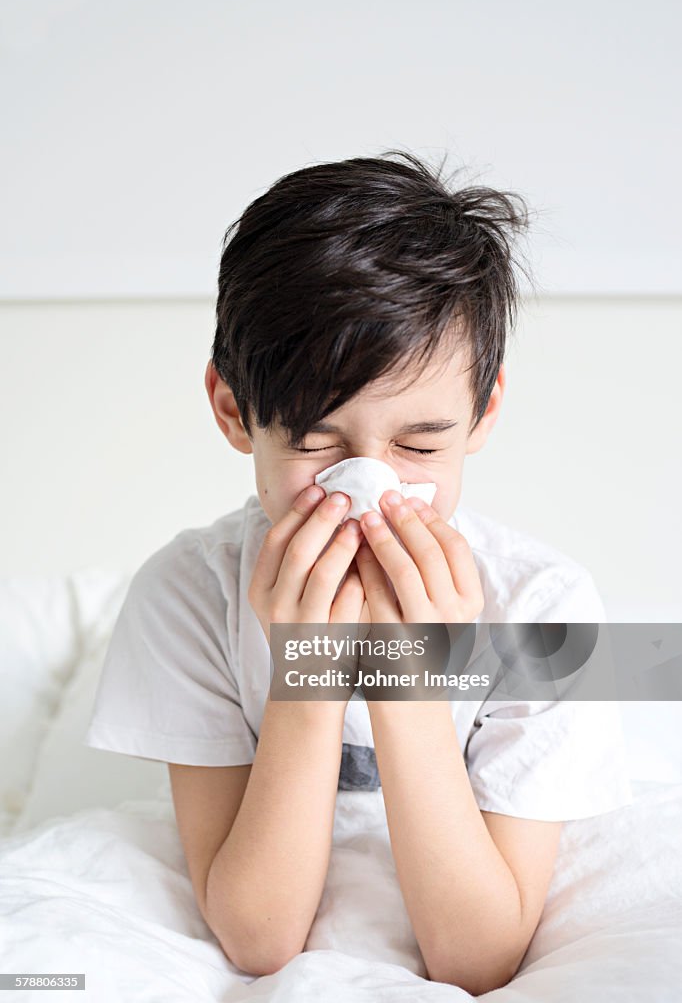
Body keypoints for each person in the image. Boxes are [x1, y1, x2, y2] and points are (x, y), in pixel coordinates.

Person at [84, 150, 632, 994]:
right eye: (315, 442)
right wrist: (307, 666)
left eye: (419, 445)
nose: (370, 487)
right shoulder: (188, 594)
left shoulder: (544, 605)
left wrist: (412, 675)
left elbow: (478, 958)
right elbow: (258, 941)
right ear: (235, 412)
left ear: (483, 412)